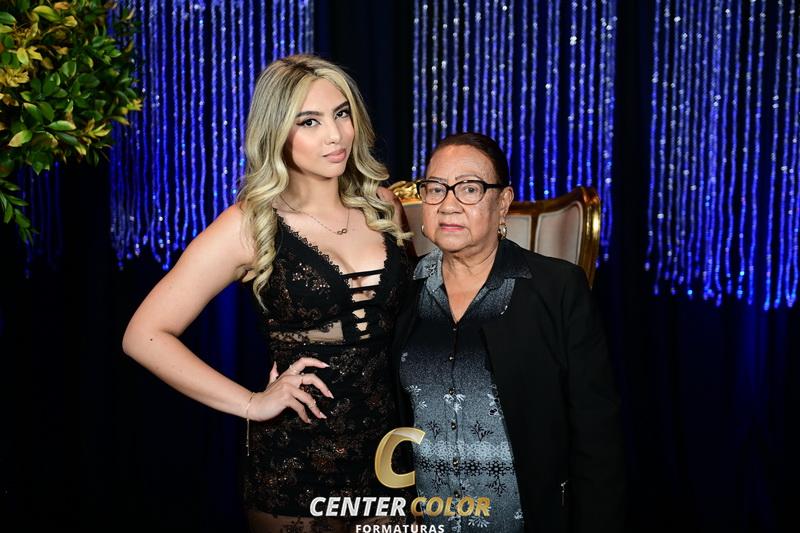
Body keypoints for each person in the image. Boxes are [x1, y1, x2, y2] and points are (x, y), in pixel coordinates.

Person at [123, 54, 413, 532]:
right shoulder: (249, 225)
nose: (335, 135)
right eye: (309, 122)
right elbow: (144, 335)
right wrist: (251, 403)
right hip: (297, 460)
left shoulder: (382, 205)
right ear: (277, 132)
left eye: (342, 113)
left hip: (391, 450)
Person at [391, 132, 625, 532]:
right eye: (435, 188)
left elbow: (598, 437)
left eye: (469, 188)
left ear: (503, 202)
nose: (448, 204)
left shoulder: (557, 289)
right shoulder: (403, 292)